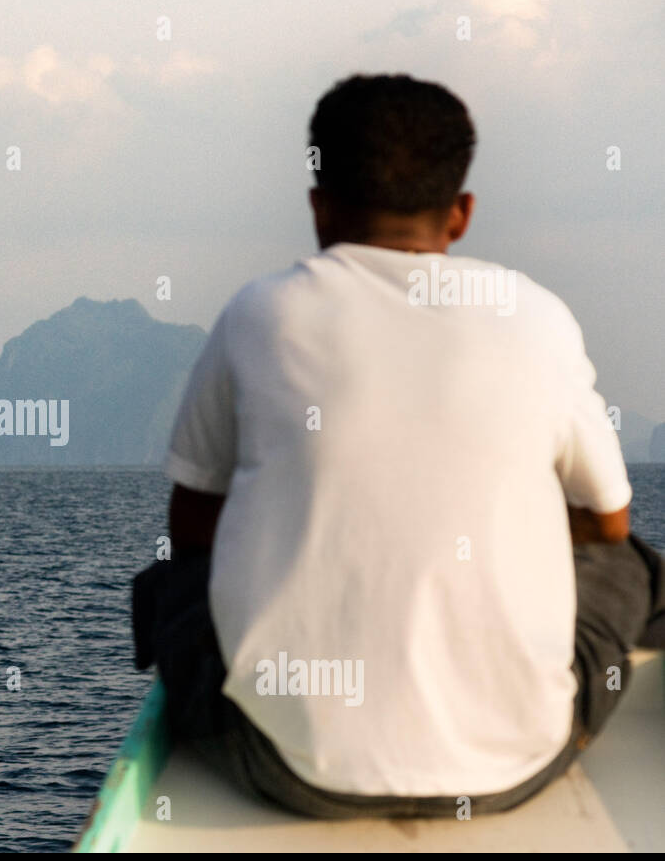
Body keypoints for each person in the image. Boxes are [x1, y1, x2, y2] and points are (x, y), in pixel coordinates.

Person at [138, 73, 665, 818]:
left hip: (282, 764)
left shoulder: (260, 315)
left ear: (319, 207)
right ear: (462, 213)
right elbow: (609, 524)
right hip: (515, 760)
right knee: (628, 564)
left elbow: (190, 526)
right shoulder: (535, 317)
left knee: (172, 582)